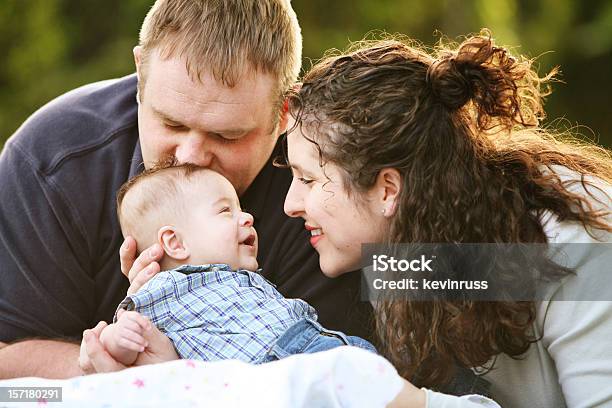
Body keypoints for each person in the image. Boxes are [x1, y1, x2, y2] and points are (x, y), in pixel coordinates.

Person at [0, 0, 374, 379]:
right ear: (140, 72)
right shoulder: (52, 163)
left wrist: (182, 382)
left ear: (283, 114)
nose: (190, 156)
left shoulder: (322, 179)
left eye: (226, 135)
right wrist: (110, 382)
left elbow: (420, 281)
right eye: (171, 124)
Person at [281, 31, 612, 407]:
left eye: (308, 179)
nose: (291, 204)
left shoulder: (573, 236)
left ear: (388, 190)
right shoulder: (398, 252)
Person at [97, 161, 375, 366]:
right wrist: (118, 338)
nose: (247, 218)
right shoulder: (165, 285)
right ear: (175, 243)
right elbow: (123, 328)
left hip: (317, 346)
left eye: (240, 208)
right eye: (225, 210)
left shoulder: (243, 278)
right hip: (269, 365)